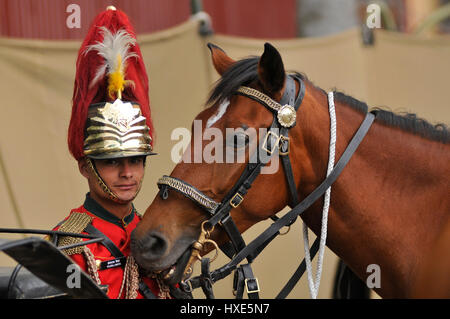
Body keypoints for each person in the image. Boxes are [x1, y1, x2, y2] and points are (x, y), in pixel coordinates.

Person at [52, 6, 168, 299]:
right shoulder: (66, 243)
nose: (127, 172)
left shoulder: (162, 231)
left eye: (136, 160)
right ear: (84, 166)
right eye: (112, 161)